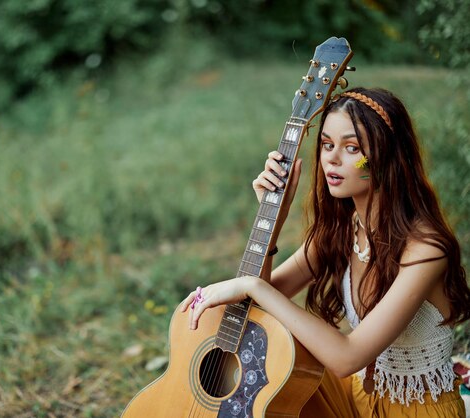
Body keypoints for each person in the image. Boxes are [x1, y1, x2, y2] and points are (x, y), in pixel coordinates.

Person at [180, 87, 469, 417]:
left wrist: (252, 285)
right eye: (327, 145)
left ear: (388, 156)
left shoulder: (425, 250)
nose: (332, 158)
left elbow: (347, 357)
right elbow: (255, 309)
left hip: (419, 411)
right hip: (356, 399)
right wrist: (274, 214)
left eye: (352, 148)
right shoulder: (343, 229)